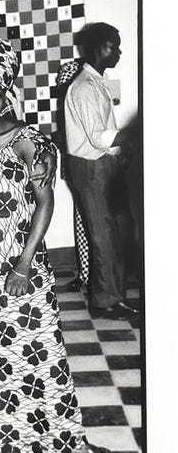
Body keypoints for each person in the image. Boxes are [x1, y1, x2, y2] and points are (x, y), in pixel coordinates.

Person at [0, 37, 109, 453]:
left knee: (38, 353)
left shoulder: (28, 141)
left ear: (6, 93)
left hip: (21, 268)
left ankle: (58, 438)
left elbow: (45, 203)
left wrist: (23, 265)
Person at [64, 23, 139, 320]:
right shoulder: (83, 87)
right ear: (98, 48)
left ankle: (115, 298)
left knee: (116, 231)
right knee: (102, 234)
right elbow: (98, 138)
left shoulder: (97, 82)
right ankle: (104, 302)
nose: (118, 52)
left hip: (104, 163)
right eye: (113, 46)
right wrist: (135, 132)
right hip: (90, 166)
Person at [55, 60, 90, 292]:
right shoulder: (69, 103)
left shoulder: (82, 96)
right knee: (82, 218)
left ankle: (91, 275)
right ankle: (87, 274)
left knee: (89, 220)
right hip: (78, 167)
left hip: (88, 167)